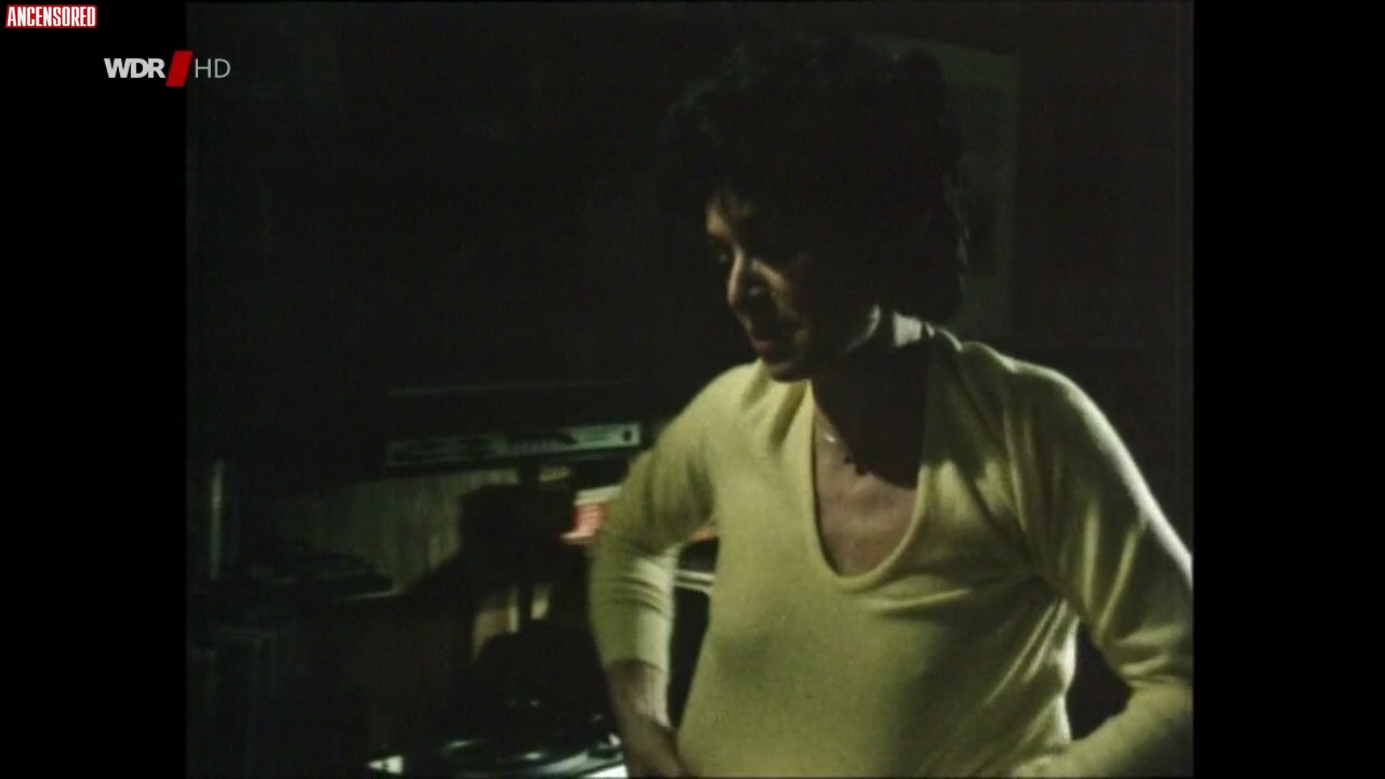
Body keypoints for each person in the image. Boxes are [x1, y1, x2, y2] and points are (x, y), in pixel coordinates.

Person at [587, 31, 1192, 778]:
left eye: (776, 246)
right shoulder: (729, 415)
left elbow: (1182, 683)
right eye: (725, 254)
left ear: (875, 232)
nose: (738, 290)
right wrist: (641, 720)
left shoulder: (1028, 431)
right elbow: (629, 544)